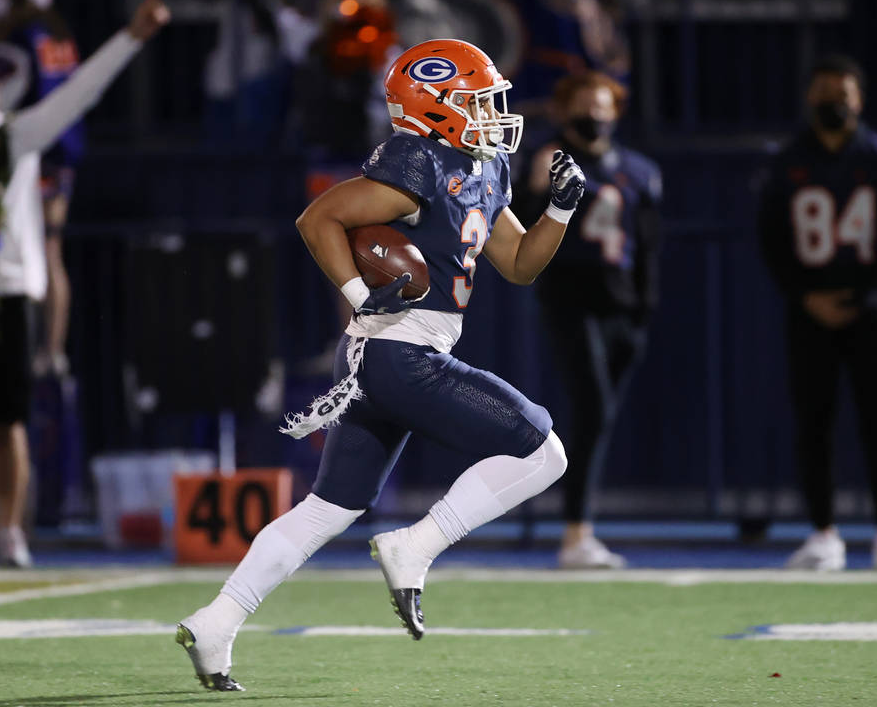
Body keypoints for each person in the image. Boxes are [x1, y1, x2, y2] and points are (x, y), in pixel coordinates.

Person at [176, 38, 586, 692]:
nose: (490, 110)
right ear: (437, 106)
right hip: (399, 348)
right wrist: (361, 297)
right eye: (476, 98)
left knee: (328, 508)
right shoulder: (416, 158)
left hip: (395, 353)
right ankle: (415, 545)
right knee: (544, 449)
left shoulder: (485, 166)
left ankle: (216, 621)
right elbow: (319, 220)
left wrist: (560, 210)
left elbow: (520, 265)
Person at [0, 0, 170, 568]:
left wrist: (133, 37)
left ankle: (7, 532)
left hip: (12, 294)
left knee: (8, 420)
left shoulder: (17, 139)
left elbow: (78, 94)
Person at [756, 54, 877, 571]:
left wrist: (863, 295)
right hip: (808, 307)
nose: (834, 103)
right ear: (810, 98)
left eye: (843, 94)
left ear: (860, 101)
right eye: (825, 92)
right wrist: (805, 295)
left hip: (868, 308)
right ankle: (824, 532)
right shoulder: (787, 161)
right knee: (815, 422)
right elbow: (773, 239)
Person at [521, 71, 661, 569]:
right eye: (583, 105)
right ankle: (576, 532)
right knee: (594, 410)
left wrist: (644, 307)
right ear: (562, 110)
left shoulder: (638, 171)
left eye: (602, 106)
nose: (594, 115)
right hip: (570, 299)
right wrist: (538, 188)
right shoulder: (546, 159)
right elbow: (519, 229)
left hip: (621, 306)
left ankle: (579, 530)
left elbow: (646, 245)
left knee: (595, 420)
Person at [0, 0, 83, 377]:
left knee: (25, 251)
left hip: (32, 158)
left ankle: (32, 347)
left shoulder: (17, 44)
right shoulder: (58, 38)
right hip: (66, 156)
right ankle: (52, 350)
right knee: (51, 250)